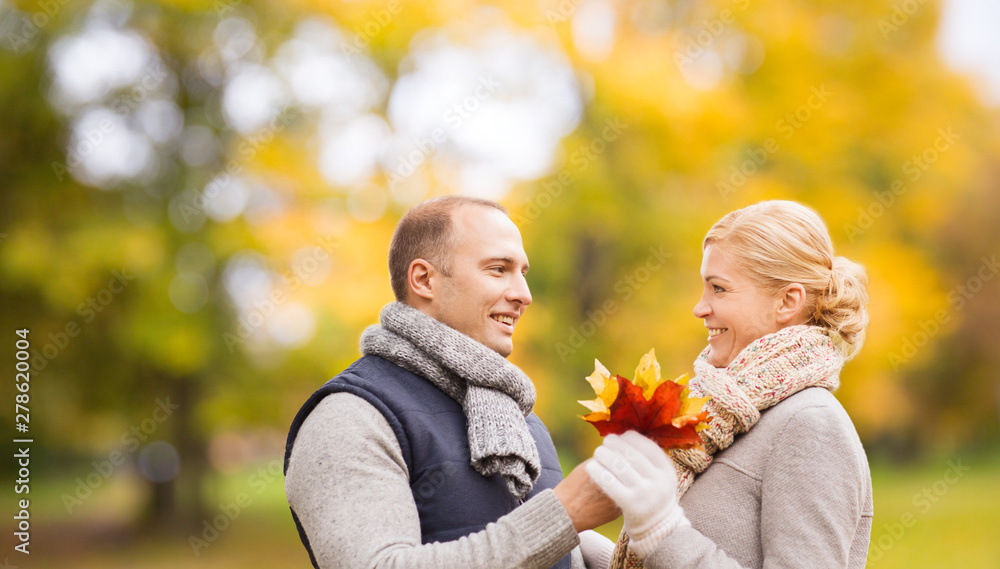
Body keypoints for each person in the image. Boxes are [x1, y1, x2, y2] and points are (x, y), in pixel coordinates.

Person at [284, 195, 617, 569]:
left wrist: (620, 550)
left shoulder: (517, 417)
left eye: (522, 272)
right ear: (424, 279)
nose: (524, 295)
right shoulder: (349, 416)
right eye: (498, 269)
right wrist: (563, 516)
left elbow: (500, 523)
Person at [586, 200, 874, 569]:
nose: (700, 307)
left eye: (718, 289)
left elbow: (676, 545)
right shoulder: (722, 418)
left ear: (787, 301)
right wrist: (580, 547)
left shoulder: (811, 424)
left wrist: (659, 528)